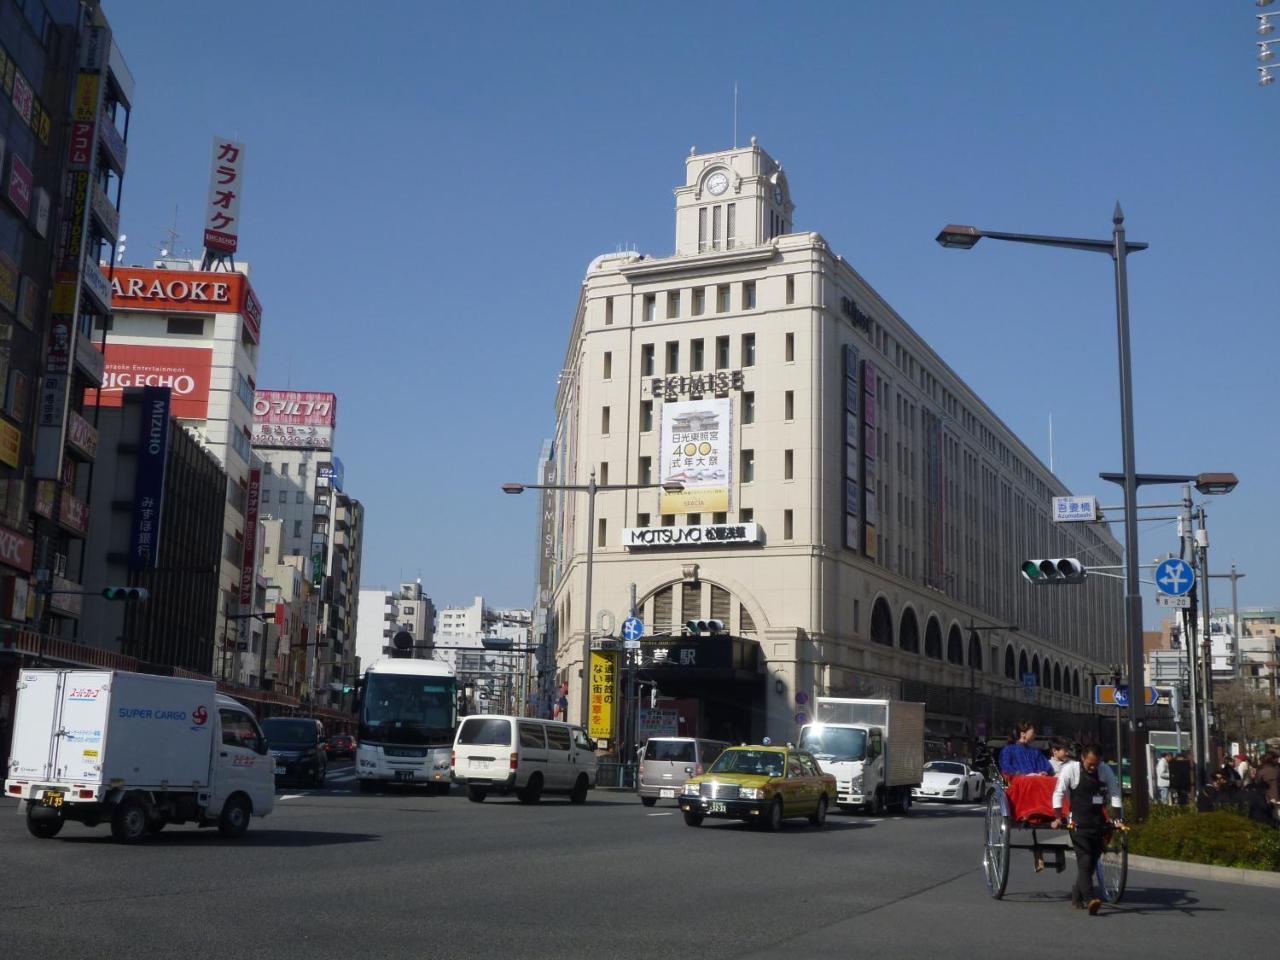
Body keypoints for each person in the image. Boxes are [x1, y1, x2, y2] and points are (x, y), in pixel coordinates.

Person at [1051, 743, 1121, 915]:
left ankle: (1076, 895)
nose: (1093, 767)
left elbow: (1115, 793)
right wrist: (1058, 817)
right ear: (1082, 758)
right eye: (1090, 763)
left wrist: (1117, 818)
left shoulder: (1105, 771)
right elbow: (1058, 793)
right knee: (1085, 860)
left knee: (1090, 863)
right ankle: (1091, 899)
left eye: (1096, 763)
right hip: (1078, 823)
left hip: (1098, 823)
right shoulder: (1070, 770)